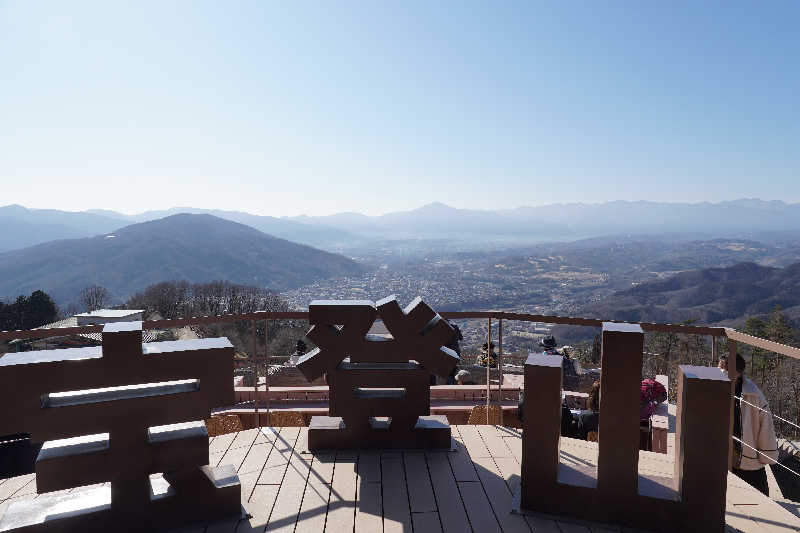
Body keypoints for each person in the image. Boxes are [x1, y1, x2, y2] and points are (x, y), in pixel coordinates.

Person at [727, 354, 778, 495]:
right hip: (725, 451)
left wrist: (766, 454)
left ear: (736, 372)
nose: (718, 371)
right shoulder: (717, 387)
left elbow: (766, 427)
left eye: (721, 368)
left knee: (755, 493)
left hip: (746, 454)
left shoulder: (753, 394)